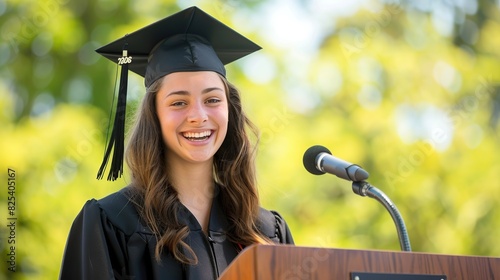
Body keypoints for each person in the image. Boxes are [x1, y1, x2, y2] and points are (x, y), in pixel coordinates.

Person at [59, 6, 294, 280]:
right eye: (179, 102)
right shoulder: (112, 224)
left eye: (212, 100)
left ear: (230, 109)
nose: (198, 116)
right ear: (154, 116)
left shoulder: (266, 230)